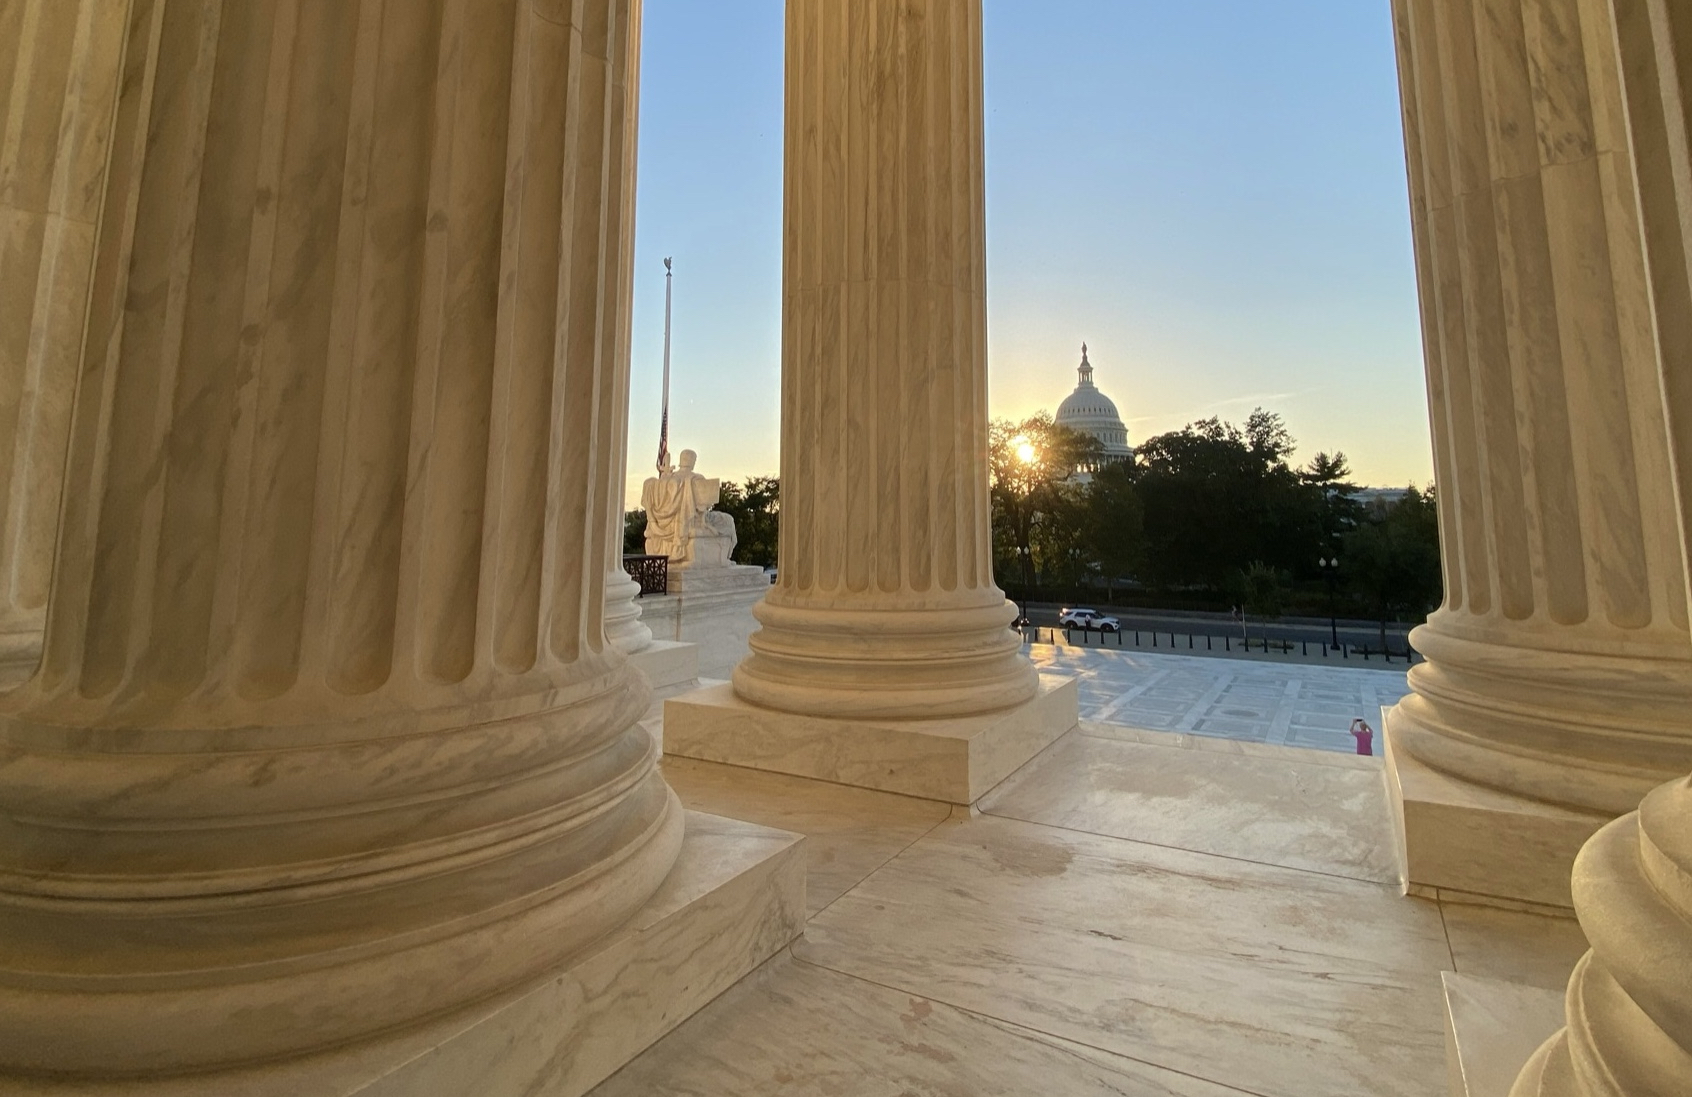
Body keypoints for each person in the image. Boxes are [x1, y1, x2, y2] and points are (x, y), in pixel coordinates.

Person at [641, 450, 720, 567]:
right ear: (692, 461)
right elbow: (703, 506)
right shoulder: (696, 478)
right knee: (726, 522)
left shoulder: (667, 478)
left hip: (663, 523)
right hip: (685, 522)